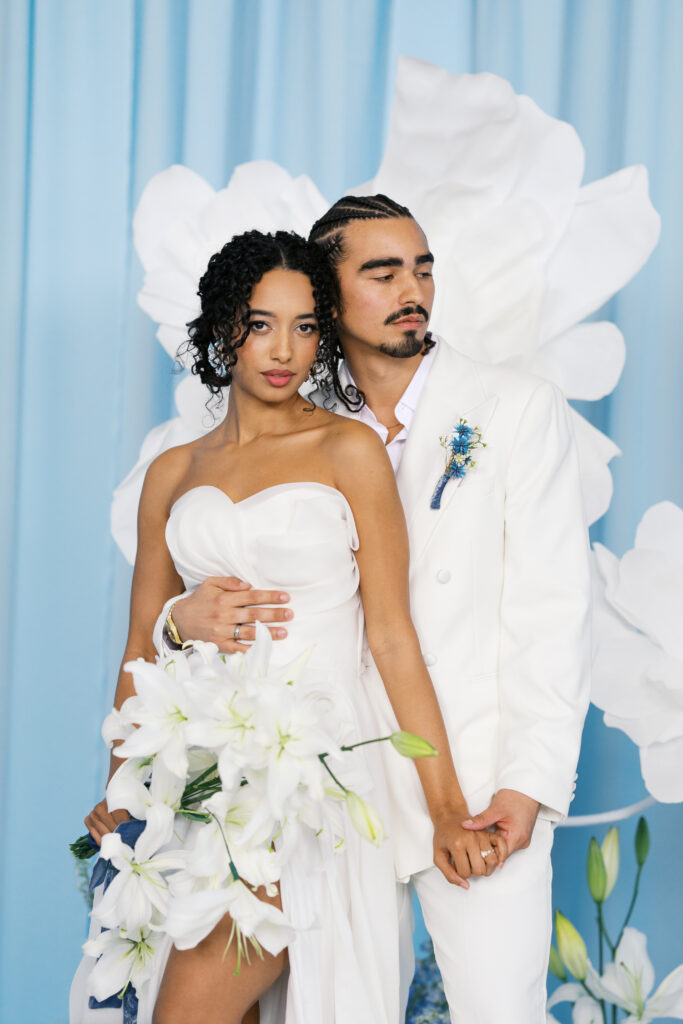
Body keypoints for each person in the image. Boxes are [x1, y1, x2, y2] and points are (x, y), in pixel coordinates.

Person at [127, 196, 592, 1024]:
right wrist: (177, 622)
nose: (411, 288)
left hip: (471, 779)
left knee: (495, 1010)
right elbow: (185, 595)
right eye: (382, 272)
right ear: (331, 298)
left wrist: (526, 785)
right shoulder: (294, 417)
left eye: (421, 268)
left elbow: (552, 613)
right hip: (305, 772)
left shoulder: (510, 408)